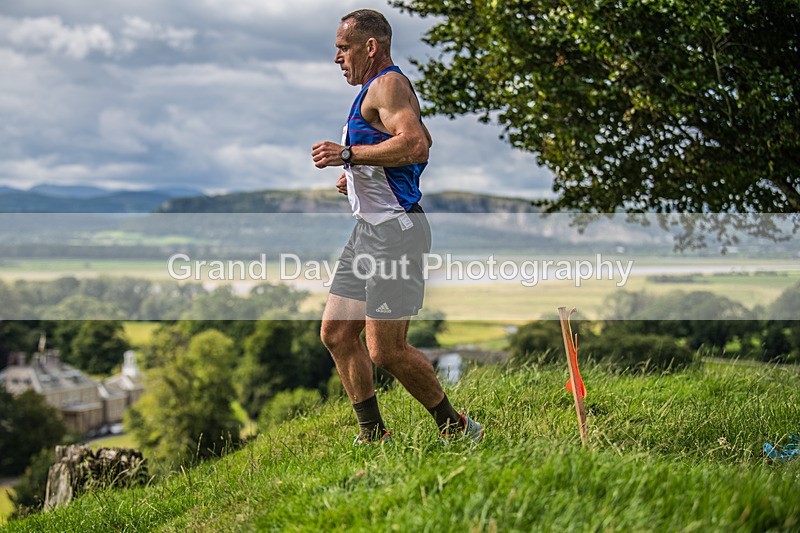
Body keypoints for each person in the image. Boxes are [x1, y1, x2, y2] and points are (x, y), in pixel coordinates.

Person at [311, 9, 483, 445]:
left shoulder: (387, 83)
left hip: (397, 233)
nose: (337, 58)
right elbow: (416, 142)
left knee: (386, 350)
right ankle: (373, 436)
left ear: (370, 47)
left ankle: (459, 428)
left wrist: (348, 156)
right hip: (368, 231)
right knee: (335, 333)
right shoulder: (373, 91)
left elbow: (415, 143)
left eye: (343, 48)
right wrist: (357, 177)